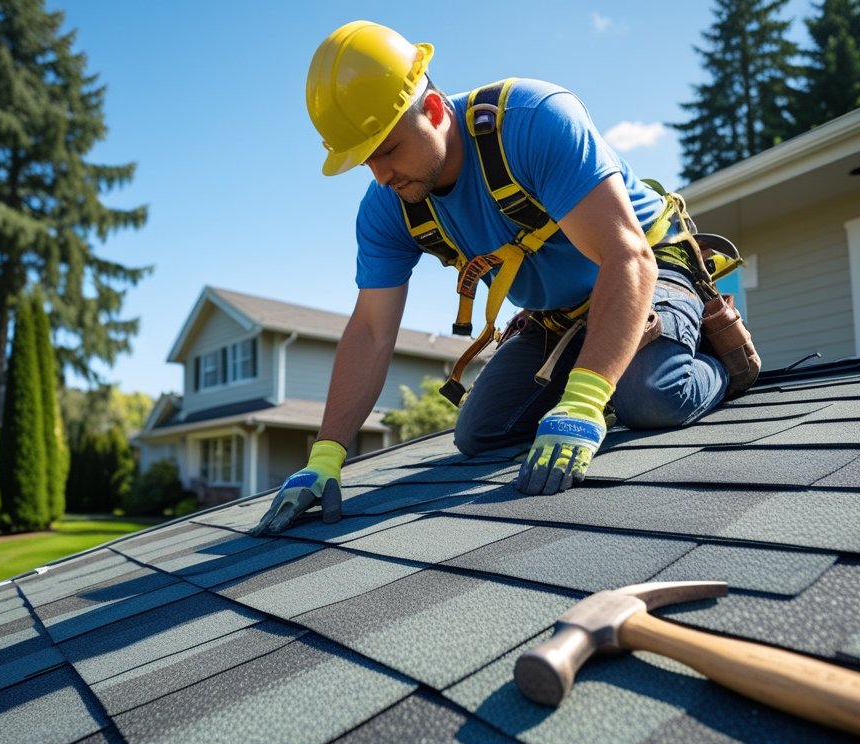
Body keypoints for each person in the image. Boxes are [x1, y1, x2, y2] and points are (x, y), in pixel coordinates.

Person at [252, 20, 741, 535]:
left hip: (651, 273)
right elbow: (371, 330)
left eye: (389, 149)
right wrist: (324, 458)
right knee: (482, 432)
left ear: (435, 110)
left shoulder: (532, 120)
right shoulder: (388, 208)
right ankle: (608, 369)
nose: (381, 175)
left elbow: (628, 256)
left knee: (648, 397)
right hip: (557, 319)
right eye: (366, 160)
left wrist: (582, 402)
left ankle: (719, 365)